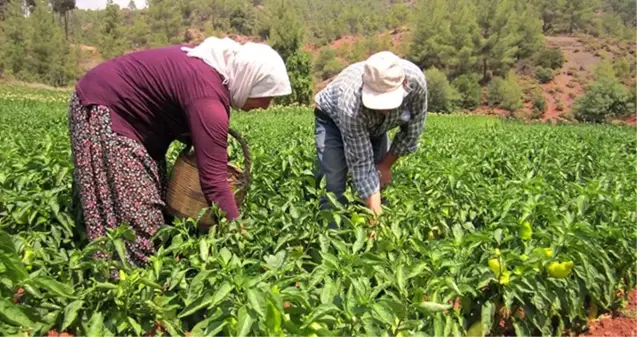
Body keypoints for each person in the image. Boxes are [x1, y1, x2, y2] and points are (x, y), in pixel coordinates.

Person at [68, 37, 291, 268]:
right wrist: (238, 230)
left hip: (132, 121)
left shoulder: (213, 72)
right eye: (267, 95)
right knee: (141, 223)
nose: (266, 105)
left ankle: (136, 277)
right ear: (249, 79)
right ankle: (129, 289)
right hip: (105, 109)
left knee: (149, 209)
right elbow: (214, 180)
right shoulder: (207, 97)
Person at [313, 51, 428, 222]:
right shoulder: (351, 104)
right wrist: (376, 221)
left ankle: (367, 226)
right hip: (332, 121)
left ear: (403, 84)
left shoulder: (415, 83)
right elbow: (362, 165)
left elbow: (412, 131)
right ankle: (331, 236)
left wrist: (386, 165)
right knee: (334, 184)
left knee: (379, 181)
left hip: (377, 128)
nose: (384, 108)